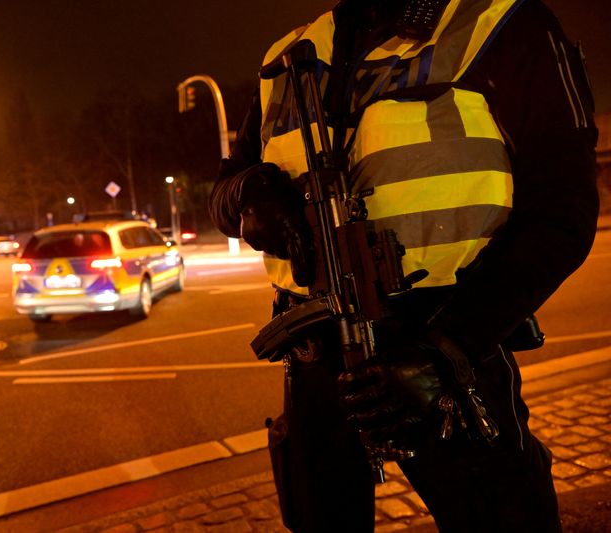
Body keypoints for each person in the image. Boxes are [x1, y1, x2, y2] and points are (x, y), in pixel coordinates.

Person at [209, 0, 598, 531]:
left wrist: (444, 353)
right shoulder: (288, 55)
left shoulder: (503, 24)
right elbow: (226, 187)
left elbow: (563, 213)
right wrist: (248, 194)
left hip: (447, 353)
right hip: (316, 357)